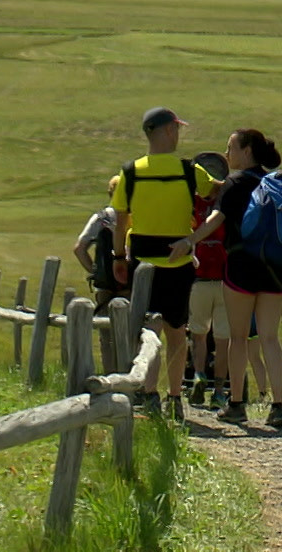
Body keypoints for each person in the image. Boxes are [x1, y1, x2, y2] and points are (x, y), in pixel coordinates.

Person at [169, 128, 282, 428]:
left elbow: (216, 219)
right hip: (277, 270)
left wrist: (189, 241)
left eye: (231, 147)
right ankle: (279, 406)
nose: (227, 154)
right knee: (270, 338)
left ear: (247, 151)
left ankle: (237, 405)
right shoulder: (278, 184)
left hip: (241, 268)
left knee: (238, 338)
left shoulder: (235, 183)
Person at [111, 107, 220, 422]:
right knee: (177, 332)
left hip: (142, 263)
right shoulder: (189, 170)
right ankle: (175, 396)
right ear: (169, 131)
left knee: (148, 331)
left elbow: (120, 222)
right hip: (180, 262)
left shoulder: (130, 172)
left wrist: (119, 257)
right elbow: (215, 190)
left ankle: (149, 393)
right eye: (177, 129)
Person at [186, 151, 231, 408]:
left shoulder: (192, 203)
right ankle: (219, 389)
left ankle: (199, 375)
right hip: (226, 280)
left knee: (199, 334)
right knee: (223, 338)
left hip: (198, 277)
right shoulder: (228, 202)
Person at [73, 175, 126, 311]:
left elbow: (79, 249)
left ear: (110, 193)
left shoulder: (102, 218)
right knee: (131, 328)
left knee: (105, 326)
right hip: (130, 282)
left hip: (104, 285)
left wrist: (96, 273)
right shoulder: (136, 217)